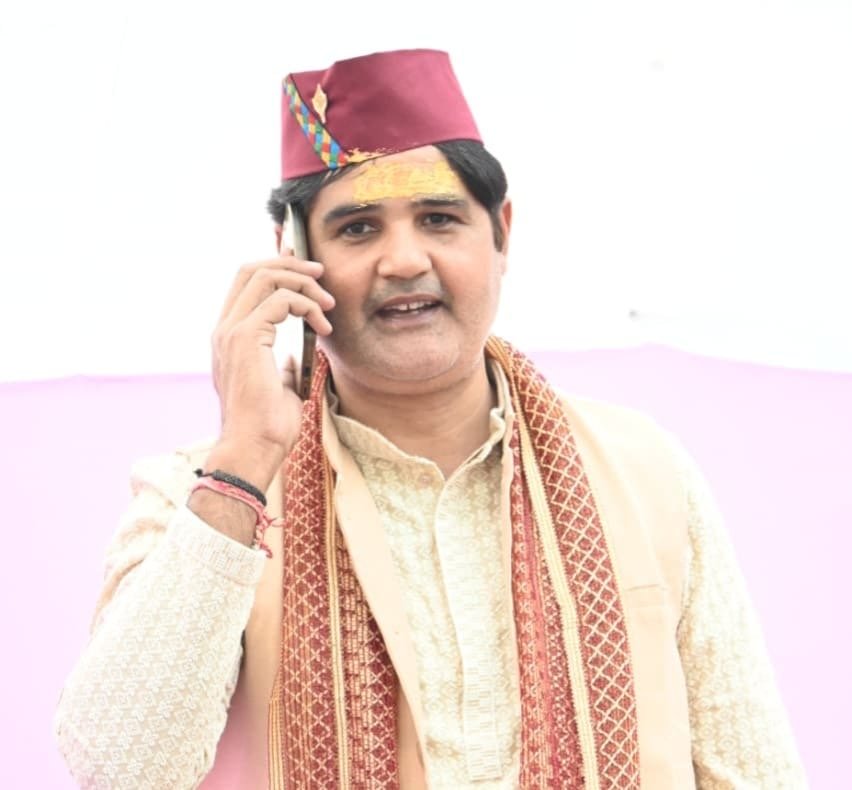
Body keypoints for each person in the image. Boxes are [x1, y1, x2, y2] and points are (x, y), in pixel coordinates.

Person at [54, 48, 806, 789]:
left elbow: (754, 773)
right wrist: (245, 459)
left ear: (501, 233)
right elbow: (122, 772)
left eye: (440, 219)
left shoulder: (642, 474)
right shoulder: (202, 496)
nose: (405, 260)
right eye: (358, 229)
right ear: (294, 256)